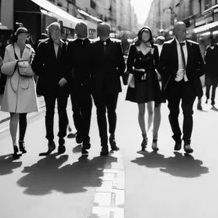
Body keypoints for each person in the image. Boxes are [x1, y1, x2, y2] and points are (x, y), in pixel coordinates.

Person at [158, 21, 205, 154]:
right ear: (175, 31)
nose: (184, 32)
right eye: (181, 30)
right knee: (173, 113)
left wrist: (190, 74)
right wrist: (173, 74)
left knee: (188, 111)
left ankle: (187, 141)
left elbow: (202, 67)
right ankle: (177, 137)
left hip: (189, 85)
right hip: (173, 85)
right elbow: (161, 67)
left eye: (185, 30)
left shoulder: (194, 47)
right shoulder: (167, 47)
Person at [33, 22, 71, 155]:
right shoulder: (43, 46)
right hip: (48, 85)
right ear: (49, 33)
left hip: (63, 85)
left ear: (61, 32)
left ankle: (61, 139)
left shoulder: (66, 46)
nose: (55, 33)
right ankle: (50, 140)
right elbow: (35, 65)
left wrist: (66, 78)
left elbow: (71, 66)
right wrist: (46, 75)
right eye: (53, 31)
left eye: (58, 30)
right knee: (49, 113)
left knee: (62, 111)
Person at [0, 27, 39, 158]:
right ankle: (14, 144)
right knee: (14, 115)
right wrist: (16, 63)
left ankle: (22, 142)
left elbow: (35, 67)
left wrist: (30, 68)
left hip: (26, 83)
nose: (24, 36)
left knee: (23, 115)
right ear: (17, 36)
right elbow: (4, 66)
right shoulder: (9, 49)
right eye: (21, 34)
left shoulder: (30, 49)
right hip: (13, 83)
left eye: (26, 34)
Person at [88, 23, 126, 156]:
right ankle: (106, 141)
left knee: (108, 112)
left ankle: (109, 139)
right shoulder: (95, 46)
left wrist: (115, 74)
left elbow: (121, 65)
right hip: (101, 84)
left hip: (108, 84)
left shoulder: (115, 45)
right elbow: (121, 66)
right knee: (104, 112)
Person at [126, 26, 164, 151]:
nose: (146, 35)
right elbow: (129, 66)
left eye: (148, 33)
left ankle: (154, 137)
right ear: (140, 34)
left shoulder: (154, 48)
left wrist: (166, 73)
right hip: (139, 80)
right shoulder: (133, 48)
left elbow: (158, 65)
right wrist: (137, 71)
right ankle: (144, 136)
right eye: (144, 33)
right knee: (141, 110)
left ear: (150, 35)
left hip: (151, 80)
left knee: (154, 109)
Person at [68, 23, 94, 155]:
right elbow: (68, 64)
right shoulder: (71, 45)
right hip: (75, 83)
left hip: (88, 84)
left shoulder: (92, 45)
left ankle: (86, 137)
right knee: (76, 111)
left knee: (87, 111)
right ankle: (80, 131)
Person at [204, 37, 218, 107]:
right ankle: (212, 100)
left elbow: (205, 59)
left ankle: (207, 97)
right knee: (214, 87)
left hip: (209, 71)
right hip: (216, 71)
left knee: (208, 85)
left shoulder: (208, 48)